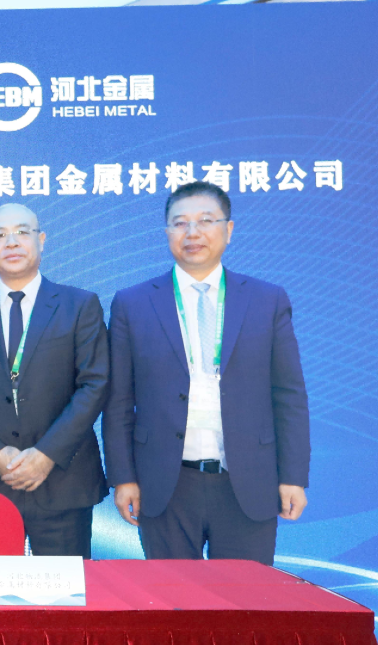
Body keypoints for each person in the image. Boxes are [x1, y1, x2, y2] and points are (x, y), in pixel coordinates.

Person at [103, 182, 309, 565]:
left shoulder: (267, 300)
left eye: (206, 221)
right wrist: (123, 478)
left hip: (247, 480)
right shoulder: (133, 303)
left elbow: (289, 395)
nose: (192, 232)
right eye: (180, 223)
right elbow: (118, 400)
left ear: (229, 230)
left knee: (245, 597)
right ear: (167, 232)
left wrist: (293, 476)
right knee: (172, 598)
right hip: (165, 483)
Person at [0, 204, 109, 558]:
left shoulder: (79, 305)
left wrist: (46, 455)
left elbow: (94, 385)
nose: (12, 242)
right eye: (0, 235)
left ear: (42, 240)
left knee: (64, 592)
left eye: (22, 232)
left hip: (63, 482)